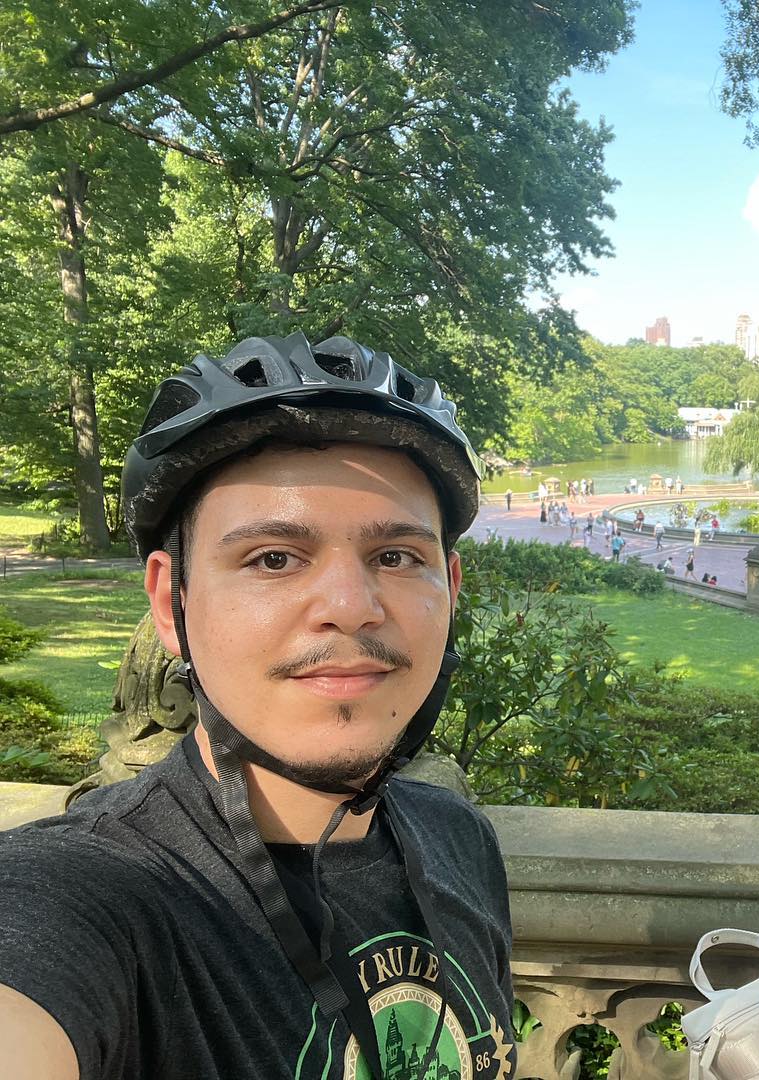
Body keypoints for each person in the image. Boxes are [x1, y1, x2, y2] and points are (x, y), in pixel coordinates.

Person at [0, 333, 515, 1079]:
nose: (349, 607)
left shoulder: (461, 841)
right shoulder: (91, 895)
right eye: (272, 558)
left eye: (397, 557)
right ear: (169, 603)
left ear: (452, 590)